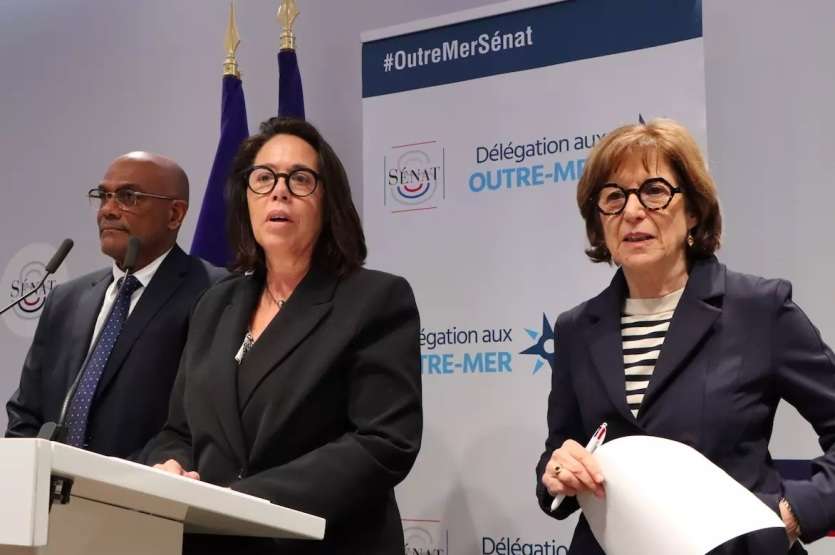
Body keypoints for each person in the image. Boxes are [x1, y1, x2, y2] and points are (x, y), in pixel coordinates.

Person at [535, 119, 835, 554]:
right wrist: (557, 471)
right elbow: (562, 448)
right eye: (614, 197)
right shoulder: (576, 329)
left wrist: (792, 514)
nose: (632, 211)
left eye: (654, 191)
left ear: (693, 211)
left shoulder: (759, 309)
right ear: (598, 221)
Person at [143, 117, 422, 554]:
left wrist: (247, 501)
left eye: (300, 179)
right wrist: (170, 465)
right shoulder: (214, 304)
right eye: (264, 178)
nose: (279, 191)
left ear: (328, 201)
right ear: (246, 199)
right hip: (212, 540)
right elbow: (180, 430)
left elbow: (384, 441)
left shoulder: (374, 299)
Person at [6, 151, 226, 458]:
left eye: (128, 197)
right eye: (103, 196)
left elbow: (197, 423)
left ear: (174, 214)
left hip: (143, 485)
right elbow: (25, 413)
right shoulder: (66, 300)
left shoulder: (213, 292)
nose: (107, 210)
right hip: (46, 483)